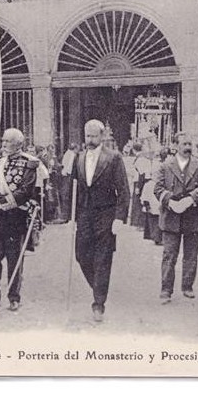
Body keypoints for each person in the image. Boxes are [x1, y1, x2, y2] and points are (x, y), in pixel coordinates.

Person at [72, 119, 130, 322]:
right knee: (81, 255)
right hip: (84, 214)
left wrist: (119, 218)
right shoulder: (79, 157)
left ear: (102, 136)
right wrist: (72, 216)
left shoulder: (113, 158)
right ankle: (98, 286)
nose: (90, 140)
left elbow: (123, 190)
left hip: (106, 214)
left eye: (94, 136)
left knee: (103, 259)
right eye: (87, 136)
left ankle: (98, 303)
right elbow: (75, 188)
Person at [0, 127, 39, 311]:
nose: (4, 144)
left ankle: (14, 297)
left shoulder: (29, 163)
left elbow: (25, 192)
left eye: (8, 141)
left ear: (18, 144)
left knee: (14, 259)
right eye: (3, 140)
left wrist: (0, 203)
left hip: (16, 217)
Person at [153, 132, 198, 303]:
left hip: (193, 215)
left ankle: (187, 286)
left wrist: (191, 199)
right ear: (175, 146)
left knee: (191, 254)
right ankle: (166, 289)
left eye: (189, 144)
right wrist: (170, 202)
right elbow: (158, 188)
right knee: (169, 255)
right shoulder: (165, 166)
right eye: (184, 144)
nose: (187, 147)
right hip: (171, 216)